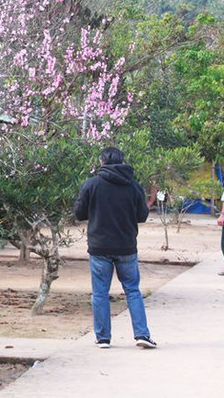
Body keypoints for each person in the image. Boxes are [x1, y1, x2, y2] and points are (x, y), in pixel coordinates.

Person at [74, 146, 156, 349]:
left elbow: (79, 213)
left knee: (100, 293)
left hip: (99, 247)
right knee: (132, 291)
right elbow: (142, 216)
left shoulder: (91, 185)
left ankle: (103, 338)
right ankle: (142, 334)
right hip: (127, 247)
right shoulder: (134, 186)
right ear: (122, 161)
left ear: (102, 162)